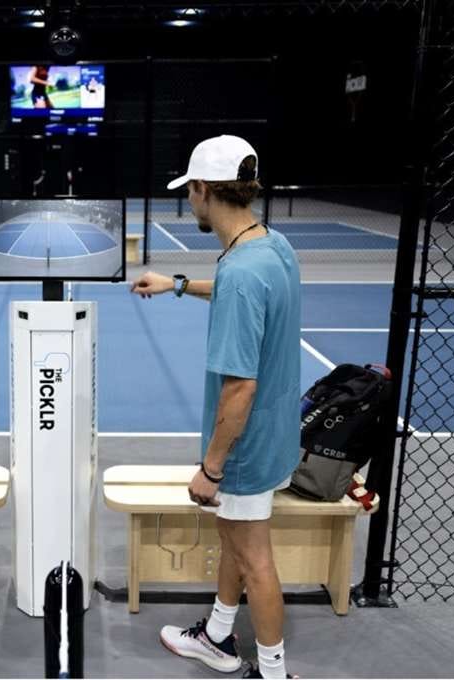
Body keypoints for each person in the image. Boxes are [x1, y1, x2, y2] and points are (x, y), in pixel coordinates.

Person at [131, 135, 301, 679]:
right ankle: (217, 637)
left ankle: (272, 672)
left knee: (254, 559)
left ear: (204, 189)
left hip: (245, 448)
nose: (189, 201)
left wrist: (211, 468)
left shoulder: (244, 271)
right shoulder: (271, 245)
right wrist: (177, 285)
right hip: (276, 434)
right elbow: (236, 289)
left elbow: (239, 388)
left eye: (190, 191)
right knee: (233, 541)